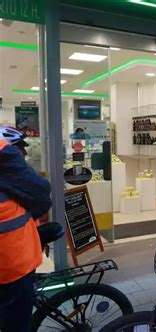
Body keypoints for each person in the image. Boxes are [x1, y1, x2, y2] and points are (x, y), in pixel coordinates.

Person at [0, 127, 52, 332]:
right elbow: (40, 194)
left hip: (12, 264)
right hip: (13, 261)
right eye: (21, 149)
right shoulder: (5, 154)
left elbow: (40, 195)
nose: (25, 154)